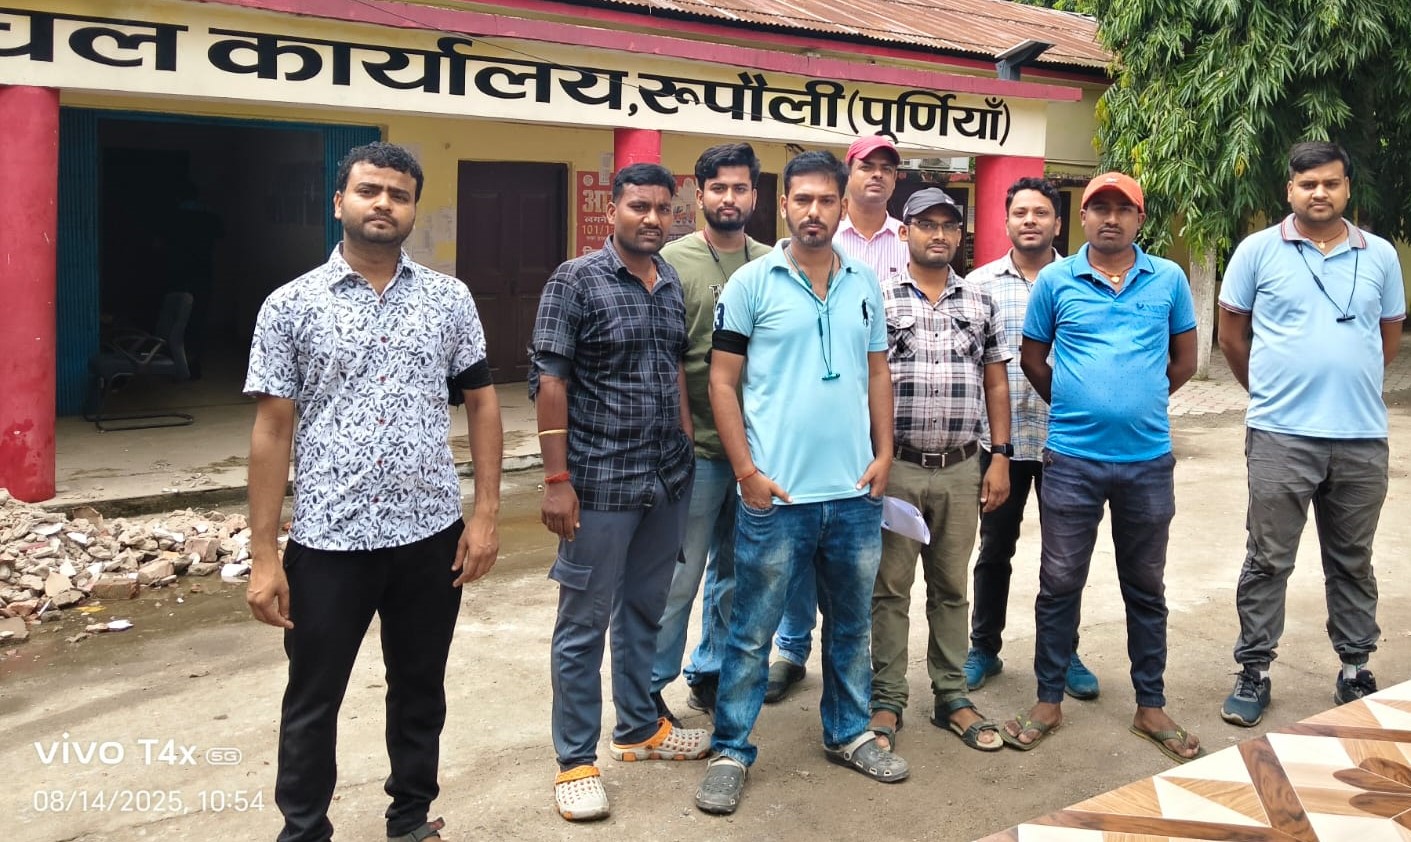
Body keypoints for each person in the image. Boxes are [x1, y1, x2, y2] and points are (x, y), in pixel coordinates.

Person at [244, 141, 504, 842]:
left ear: (413, 207)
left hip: (429, 535)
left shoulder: (448, 300)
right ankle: (304, 830)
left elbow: (482, 403)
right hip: (329, 539)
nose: (383, 204)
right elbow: (272, 429)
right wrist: (264, 554)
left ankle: (410, 817)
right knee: (313, 698)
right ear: (340, 202)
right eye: (368, 191)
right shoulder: (291, 305)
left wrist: (484, 514)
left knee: (419, 689)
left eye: (398, 194)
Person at [695, 150, 906, 816]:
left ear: (843, 206)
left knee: (849, 626)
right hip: (776, 497)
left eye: (825, 200)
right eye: (802, 199)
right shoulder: (750, 284)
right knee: (750, 631)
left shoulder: (863, 283)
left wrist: (883, 454)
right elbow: (721, 382)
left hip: (853, 494)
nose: (814, 211)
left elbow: (877, 371)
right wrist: (747, 474)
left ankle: (848, 733)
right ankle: (731, 748)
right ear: (782, 204)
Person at [1003, 171, 1204, 764]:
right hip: (1071, 460)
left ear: (1140, 219)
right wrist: (1074, 403)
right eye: (1099, 208)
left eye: (1123, 209)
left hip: (1147, 461)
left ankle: (1150, 705)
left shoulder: (1167, 279)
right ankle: (1047, 699)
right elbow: (1033, 358)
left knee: (1146, 586)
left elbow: (1185, 360)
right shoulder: (1056, 280)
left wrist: (1140, 401)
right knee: (1059, 582)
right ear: (1083, 217)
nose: (1110, 218)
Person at [531, 162, 710, 822]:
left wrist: (684, 444)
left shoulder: (668, 283)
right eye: (639, 206)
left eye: (663, 208)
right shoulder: (575, 280)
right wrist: (557, 482)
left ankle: (638, 728)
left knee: (644, 611)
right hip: (600, 482)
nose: (652, 218)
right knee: (582, 624)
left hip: (664, 480)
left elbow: (673, 370)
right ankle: (575, 761)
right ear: (613, 211)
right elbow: (550, 381)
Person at [1217, 141, 1406, 727]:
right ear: (1290, 190)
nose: (1319, 192)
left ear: (1347, 187)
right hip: (1280, 435)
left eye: (1330, 182)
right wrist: (1269, 393)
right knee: (1268, 559)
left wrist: (1349, 384)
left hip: (1360, 436)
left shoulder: (1380, 255)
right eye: (1307, 184)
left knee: (1352, 558)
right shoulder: (1256, 251)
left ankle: (1355, 666)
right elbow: (1231, 334)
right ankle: (1254, 669)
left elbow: (1387, 336)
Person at [764, 133, 907, 705]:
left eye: (887, 167)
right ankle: (791, 648)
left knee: (857, 571)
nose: (877, 175)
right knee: (796, 555)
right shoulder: (813, 240)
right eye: (867, 166)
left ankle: (852, 689)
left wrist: (884, 446)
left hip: (870, 420)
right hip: (801, 430)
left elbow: (878, 360)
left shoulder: (910, 239)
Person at [867, 187, 1011, 755]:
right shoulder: (878, 298)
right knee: (890, 589)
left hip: (960, 468)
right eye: (927, 224)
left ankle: (952, 695)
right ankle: (886, 699)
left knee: (952, 587)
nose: (939, 234)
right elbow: (864, 380)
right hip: (898, 468)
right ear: (904, 233)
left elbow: (995, 381)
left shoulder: (979, 302)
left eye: (949, 225)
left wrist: (1000, 456)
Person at [964, 177, 1100, 700]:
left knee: (1066, 556)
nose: (1030, 221)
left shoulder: (1080, 280)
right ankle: (984, 647)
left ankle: (1064, 652)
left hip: (1066, 441)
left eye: (1040, 213)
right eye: (1020, 212)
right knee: (994, 549)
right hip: (999, 444)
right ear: (1006, 221)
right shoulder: (979, 284)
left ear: (1058, 223)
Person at [650, 143, 767, 723]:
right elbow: (665, 356)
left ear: (755, 196)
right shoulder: (671, 262)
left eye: (739, 188)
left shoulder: (772, 264)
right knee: (677, 576)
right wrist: (676, 437)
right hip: (694, 450)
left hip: (756, 453)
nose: (728, 198)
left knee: (737, 575)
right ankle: (648, 688)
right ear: (699, 195)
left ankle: (712, 672)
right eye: (718, 188)